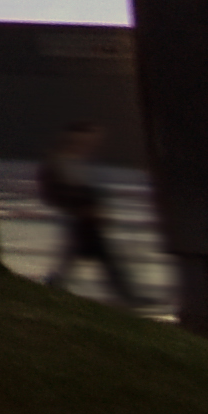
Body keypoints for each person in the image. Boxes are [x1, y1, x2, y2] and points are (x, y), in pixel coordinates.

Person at [38, 123, 138, 303]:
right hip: (80, 217)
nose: (92, 144)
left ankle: (126, 295)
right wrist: (82, 208)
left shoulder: (77, 161)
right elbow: (61, 192)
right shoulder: (61, 162)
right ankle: (127, 296)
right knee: (96, 255)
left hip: (84, 217)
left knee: (84, 255)